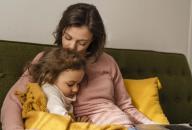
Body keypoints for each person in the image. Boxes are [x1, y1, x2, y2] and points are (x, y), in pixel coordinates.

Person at [1, 3, 155, 130]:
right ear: (61, 32)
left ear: (93, 41)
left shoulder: (108, 62)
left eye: (82, 43)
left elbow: (125, 106)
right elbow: (14, 100)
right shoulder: (47, 59)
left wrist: (152, 125)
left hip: (118, 124)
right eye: (67, 38)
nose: (71, 47)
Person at [28, 48, 86, 120]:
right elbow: (57, 111)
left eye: (78, 84)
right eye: (70, 84)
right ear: (50, 77)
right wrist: (75, 125)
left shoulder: (60, 91)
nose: (76, 89)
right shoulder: (50, 90)